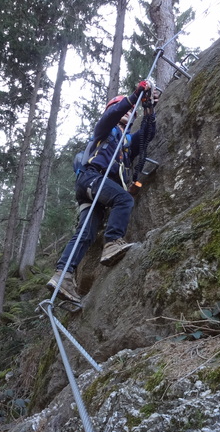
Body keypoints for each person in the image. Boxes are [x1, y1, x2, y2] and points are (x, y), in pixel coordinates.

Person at [47, 80, 158, 304]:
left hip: (92, 186)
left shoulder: (126, 142)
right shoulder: (104, 130)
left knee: (86, 233)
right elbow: (112, 114)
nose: (129, 112)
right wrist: (133, 97)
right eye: (125, 109)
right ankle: (112, 243)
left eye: (131, 112)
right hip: (93, 177)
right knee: (123, 199)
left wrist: (148, 108)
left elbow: (147, 135)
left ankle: (63, 275)